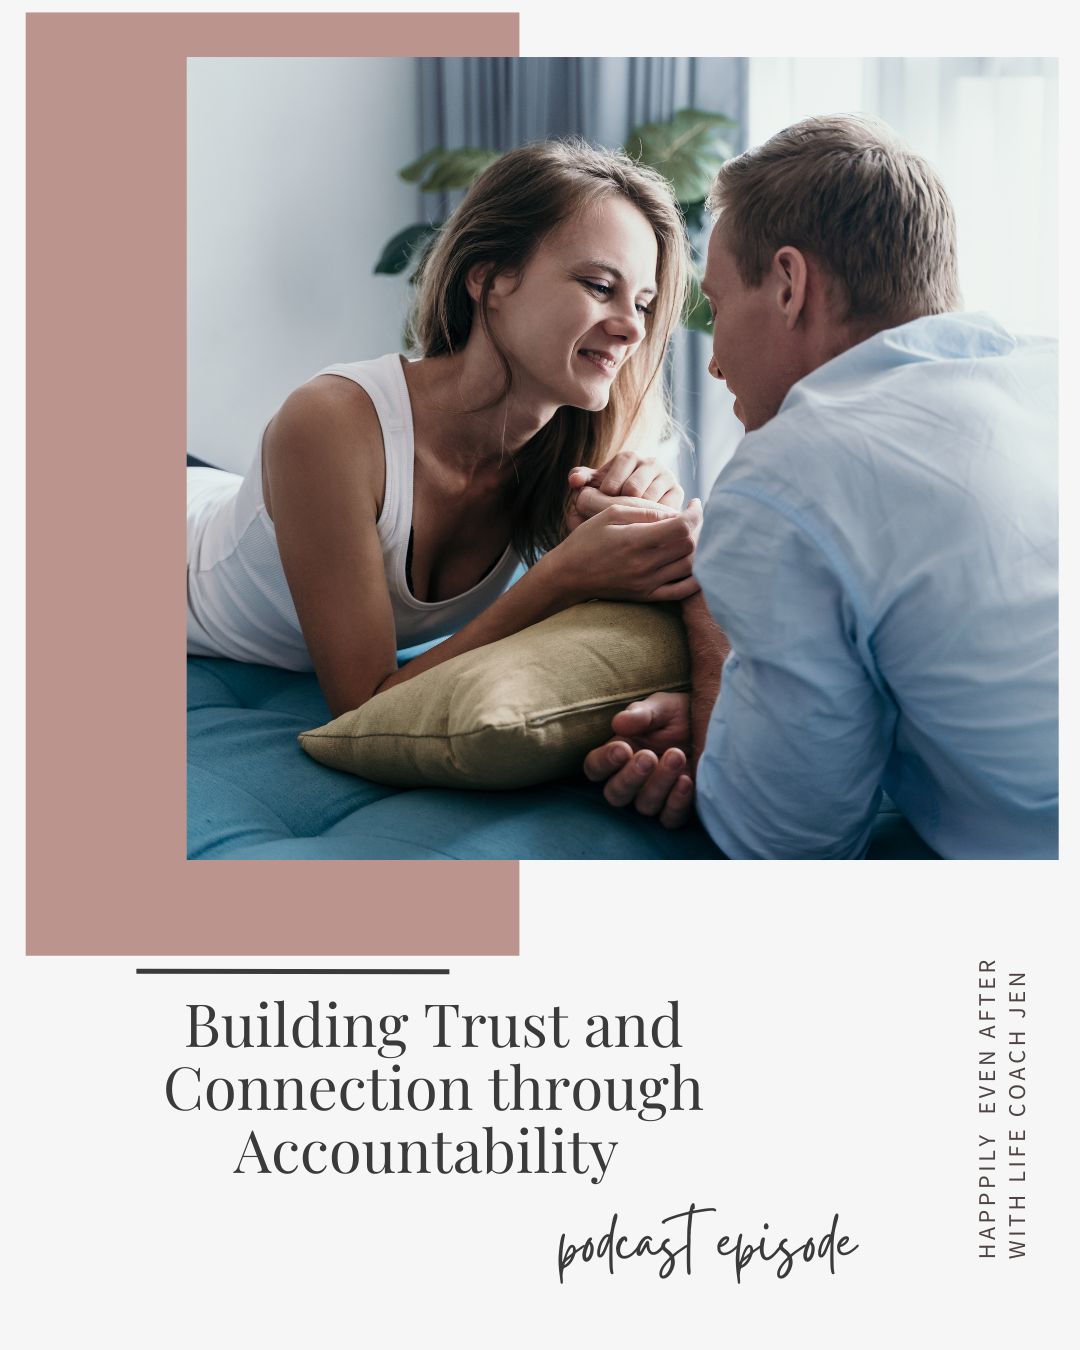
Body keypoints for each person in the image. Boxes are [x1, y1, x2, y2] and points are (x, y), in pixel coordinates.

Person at [584, 114, 1058, 860]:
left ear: (789, 285)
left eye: (718, 307)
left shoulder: (788, 475)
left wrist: (701, 597)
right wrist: (740, 714)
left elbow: (782, 842)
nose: (713, 364)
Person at [187, 140, 701, 718]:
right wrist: (562, 576)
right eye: (600, 287)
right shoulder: (331, 423)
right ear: (489, 279)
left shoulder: (575, 462)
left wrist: (639, 516)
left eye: (646, 303)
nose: (633, 328)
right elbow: (363, 705)